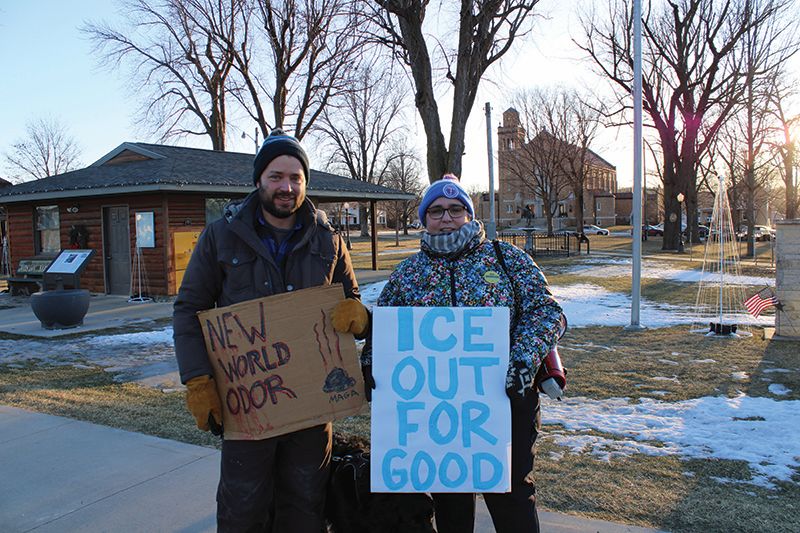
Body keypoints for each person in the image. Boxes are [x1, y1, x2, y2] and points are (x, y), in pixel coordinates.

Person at [172, 128, 369, 532]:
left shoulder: (329, 240)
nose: (286, 186)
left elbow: (351, 304)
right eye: (276, 176)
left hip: (312, 408)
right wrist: (197, 380)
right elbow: (189, 309)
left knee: (305, 505)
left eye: (295, 178)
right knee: (243, 507)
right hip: (248, 401)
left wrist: (361, 316)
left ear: (305, 183)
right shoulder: (220, 236)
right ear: (259, 179)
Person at [364, 174, 563, 533]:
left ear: (469, 215)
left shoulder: (507, 259)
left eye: (456, 209)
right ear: (424, 219)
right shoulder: (407, 274)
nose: (446, 217)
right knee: (451, 501)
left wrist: (523, 359)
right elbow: (384, 330)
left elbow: (547, 312)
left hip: (506, 398)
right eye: (436, 210)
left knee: (511, 495)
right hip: (437, 408)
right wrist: (370, 366)